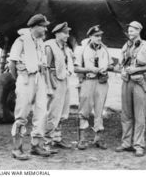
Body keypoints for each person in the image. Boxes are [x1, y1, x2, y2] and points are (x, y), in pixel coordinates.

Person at [9, 14, 51, 160]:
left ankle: (37, 145)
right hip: (26, 79)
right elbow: (12, 63)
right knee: (22, 115)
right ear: (35, 27)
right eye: (43, 26)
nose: (46, 28)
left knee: (42, 112)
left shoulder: (40, 43)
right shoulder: (20, 41)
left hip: (39, 79)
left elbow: (43, 65)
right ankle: (17, 148)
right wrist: (20, 80)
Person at [115, 21, 146, 157]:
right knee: (126, 114)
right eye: (129, 30)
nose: (130, 32)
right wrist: (121, 70)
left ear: (139, 30)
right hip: (126, 82)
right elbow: (120, 64)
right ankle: (126, 143)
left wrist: (137, 69)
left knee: (139, 116)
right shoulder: (125, 46)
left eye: (132, 30)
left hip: (139, 82)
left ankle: (139, 145)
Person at [74, 25, 113, 150]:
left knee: (99, 111)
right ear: (90, 37)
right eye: (96, 36)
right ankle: (83, 140)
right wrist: (89, 69)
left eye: (100, 36)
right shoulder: (82, 49)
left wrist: (106, 69)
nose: (99, 38)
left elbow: (111, 65)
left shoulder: (105, 49)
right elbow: (76, 68)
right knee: (84, 110)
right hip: (88, 81)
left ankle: (98, 139)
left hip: (101, 82)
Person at [43, 22, 74, 153]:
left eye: (68, 33)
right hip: (54, 81)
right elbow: (46, 68)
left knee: (63, 112)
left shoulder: (65, 47)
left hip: (65, 81)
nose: (67, 35)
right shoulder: (49, 46)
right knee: (53, 113)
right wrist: (49, 87)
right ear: (57, 33)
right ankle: (45, 142)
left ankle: (57, 138)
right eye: (65, 33)